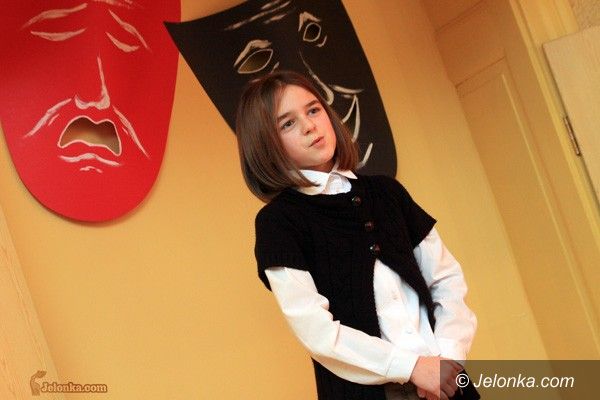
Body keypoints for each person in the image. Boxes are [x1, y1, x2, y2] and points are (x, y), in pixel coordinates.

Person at [235, 70, 478, 400]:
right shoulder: (278, 222)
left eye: (313, 110)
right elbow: (318, 332)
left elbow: (446, 279)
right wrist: (411, 367)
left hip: (446, 383)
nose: (309, 126)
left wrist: (447, 359)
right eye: (288, 123)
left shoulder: (387, 192)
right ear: (266, 145)